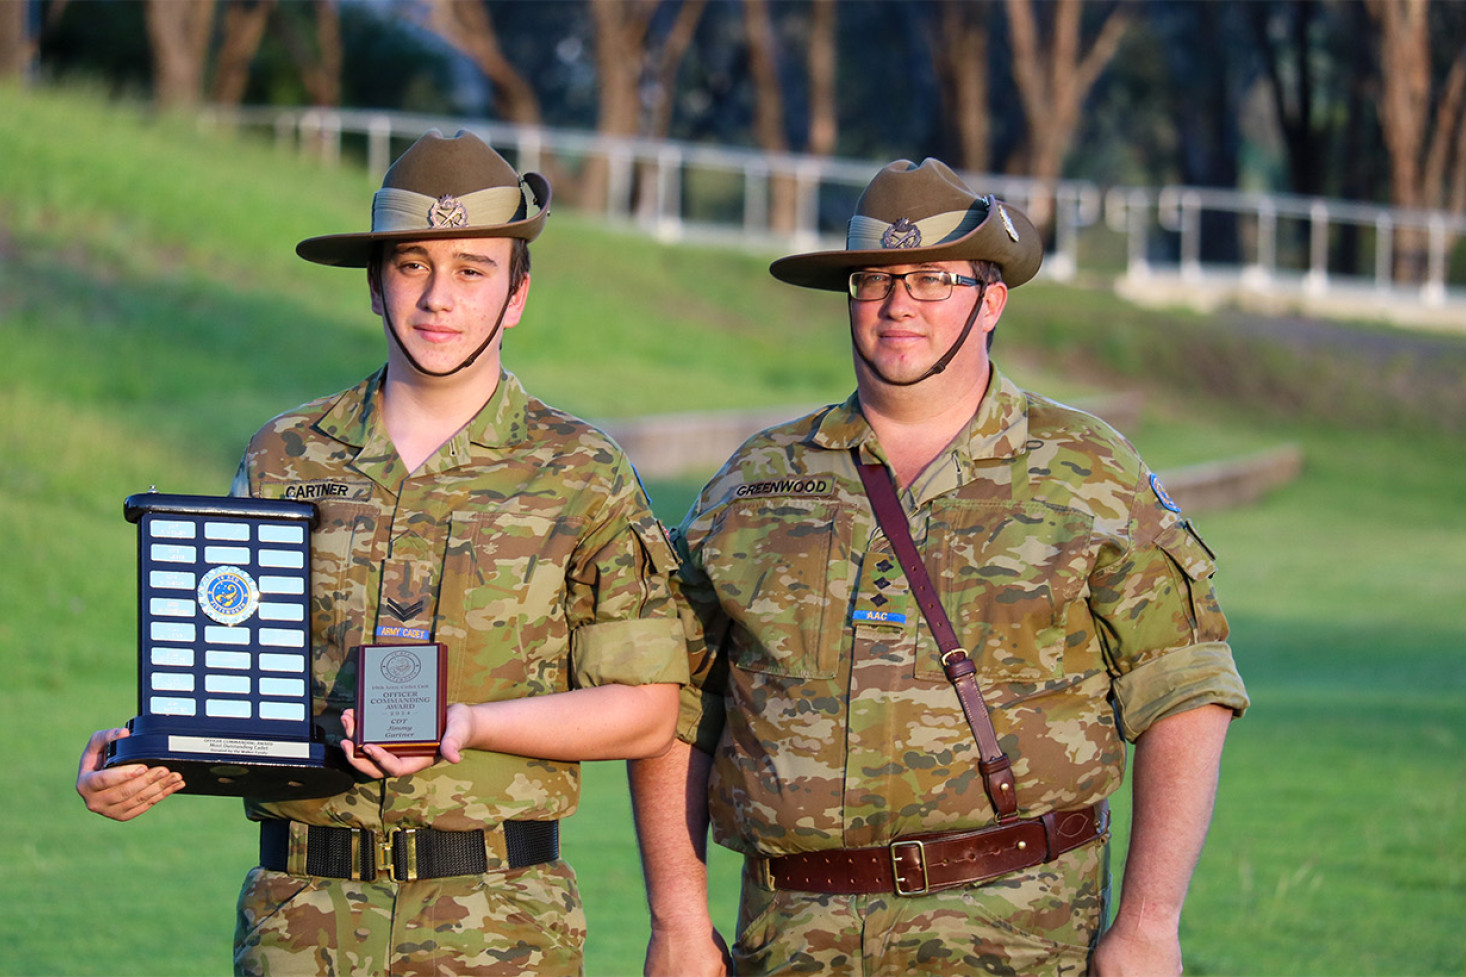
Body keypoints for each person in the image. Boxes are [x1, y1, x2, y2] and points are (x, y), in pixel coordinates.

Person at [76, 129, 688, 976]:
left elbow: (649, 707)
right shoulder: (286, 456)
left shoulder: (580, 471)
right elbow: (231, 674)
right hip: (301, 922)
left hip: (500, 925)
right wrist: (139, 756)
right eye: (412, 266)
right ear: (374, 284)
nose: (440, 298)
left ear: (516, 294)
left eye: (473, 269)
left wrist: (470, 725)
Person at [629, 158, 1250, 977]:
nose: (897, 305)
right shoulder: (756, 483)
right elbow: (676, 706)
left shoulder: (1085, 468)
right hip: (791, 944)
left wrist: (1148, 924)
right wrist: (677, 917)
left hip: (1017, 940)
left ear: (991, 299)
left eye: (930, 280)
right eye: (875, 279)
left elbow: (1183, 688)